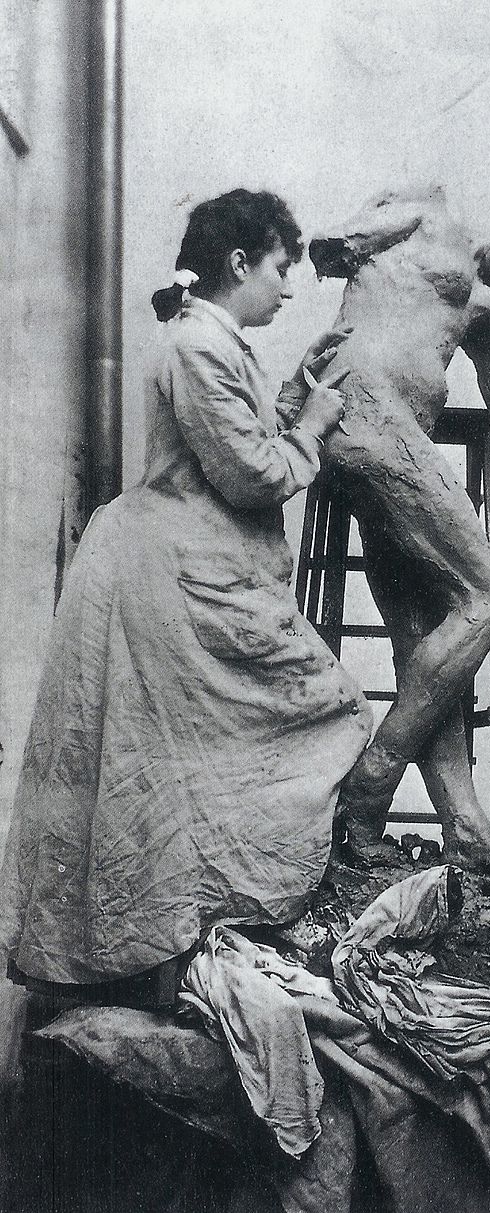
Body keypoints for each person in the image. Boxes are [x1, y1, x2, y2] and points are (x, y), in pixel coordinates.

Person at [0, 188, 372, 995]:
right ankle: (161, 954)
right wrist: (314, 424)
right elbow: (250, 474)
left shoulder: (211, 341)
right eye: (280, 268)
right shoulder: (197, 344)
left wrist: (294, 394)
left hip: (189, 566)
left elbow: (237, 437)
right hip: (173, 578)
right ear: (238, 262)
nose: (288, 286)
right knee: (301, 721)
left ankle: (187, 940)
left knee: (184, 770)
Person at [307, 184, 490, 874]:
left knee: (430, 639)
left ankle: (464, 825)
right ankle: (368, 789)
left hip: (388, 441)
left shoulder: (486, 316)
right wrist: (352, 243)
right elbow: (336, 244)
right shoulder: (432, 212)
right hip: (363, 408)